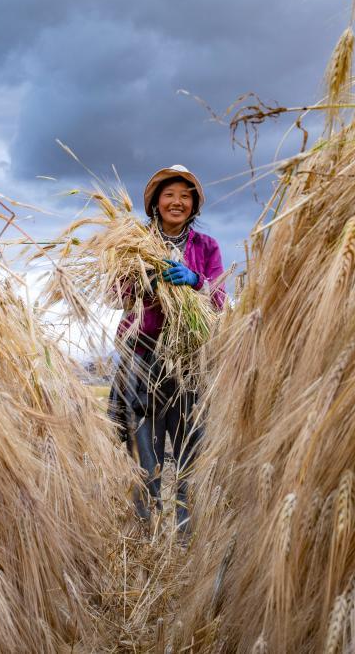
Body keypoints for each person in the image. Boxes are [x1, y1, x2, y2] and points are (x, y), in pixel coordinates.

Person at [107, 164, 226, 536]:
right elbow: (114, 296)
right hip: (142, 356)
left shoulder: (206, 248)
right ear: (155, 202)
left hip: (188, 361)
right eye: (170, 194)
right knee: (145, 455)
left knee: (192, 449)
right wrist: (144, 281)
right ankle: (148, 539)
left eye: (186, 196)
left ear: (194, 205)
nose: (178, 202)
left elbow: (220, 299)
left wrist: (195, 281)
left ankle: (187, 539)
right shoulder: (133, 243)